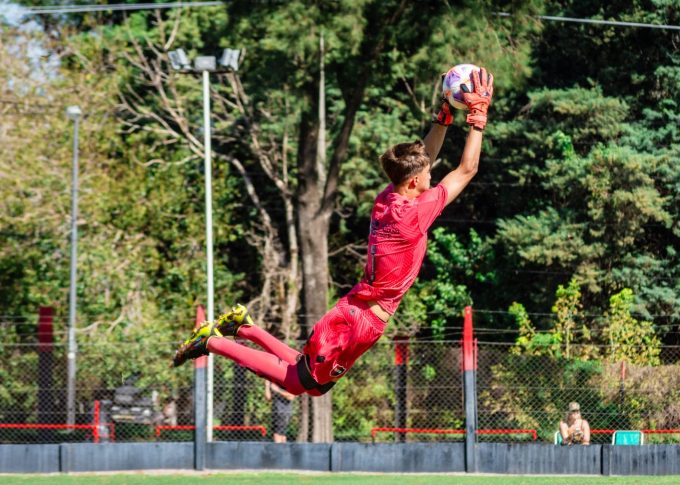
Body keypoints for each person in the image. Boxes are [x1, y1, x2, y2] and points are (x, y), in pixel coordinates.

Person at [172, 68, 494, 397]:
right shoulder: (412, 215)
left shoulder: (388, 198)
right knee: (304, 385)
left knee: (306, 371)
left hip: (355, 308)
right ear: (414, 182)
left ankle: (244, 327)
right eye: (427, 174)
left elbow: (422, 160)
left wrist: (443, 117)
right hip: (362, 322)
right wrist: (477, 117)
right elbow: (467, 169)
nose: (431, 174)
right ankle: (211, 342)